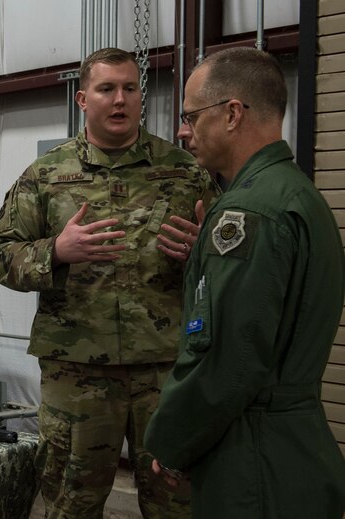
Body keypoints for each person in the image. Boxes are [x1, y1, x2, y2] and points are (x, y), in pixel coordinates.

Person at [0, 47, 219, 519]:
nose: (120, 100)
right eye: (106, 89)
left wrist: (202, 256)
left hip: (166, 369)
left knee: (178, 500)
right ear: (82, 99)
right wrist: (56, 251)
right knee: (70, 501)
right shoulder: (46, 176)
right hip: (77, 375)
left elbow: (231, 261)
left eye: (130, 88)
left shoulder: (184, 172)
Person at [144, 47, 345, 518]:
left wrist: (172, 442)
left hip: (252, 462)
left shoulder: (249, 213)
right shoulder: (299, 195)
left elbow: (226, 361)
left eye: (192, 116)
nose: (182, 131)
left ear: (232, 114)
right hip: (294, 450)